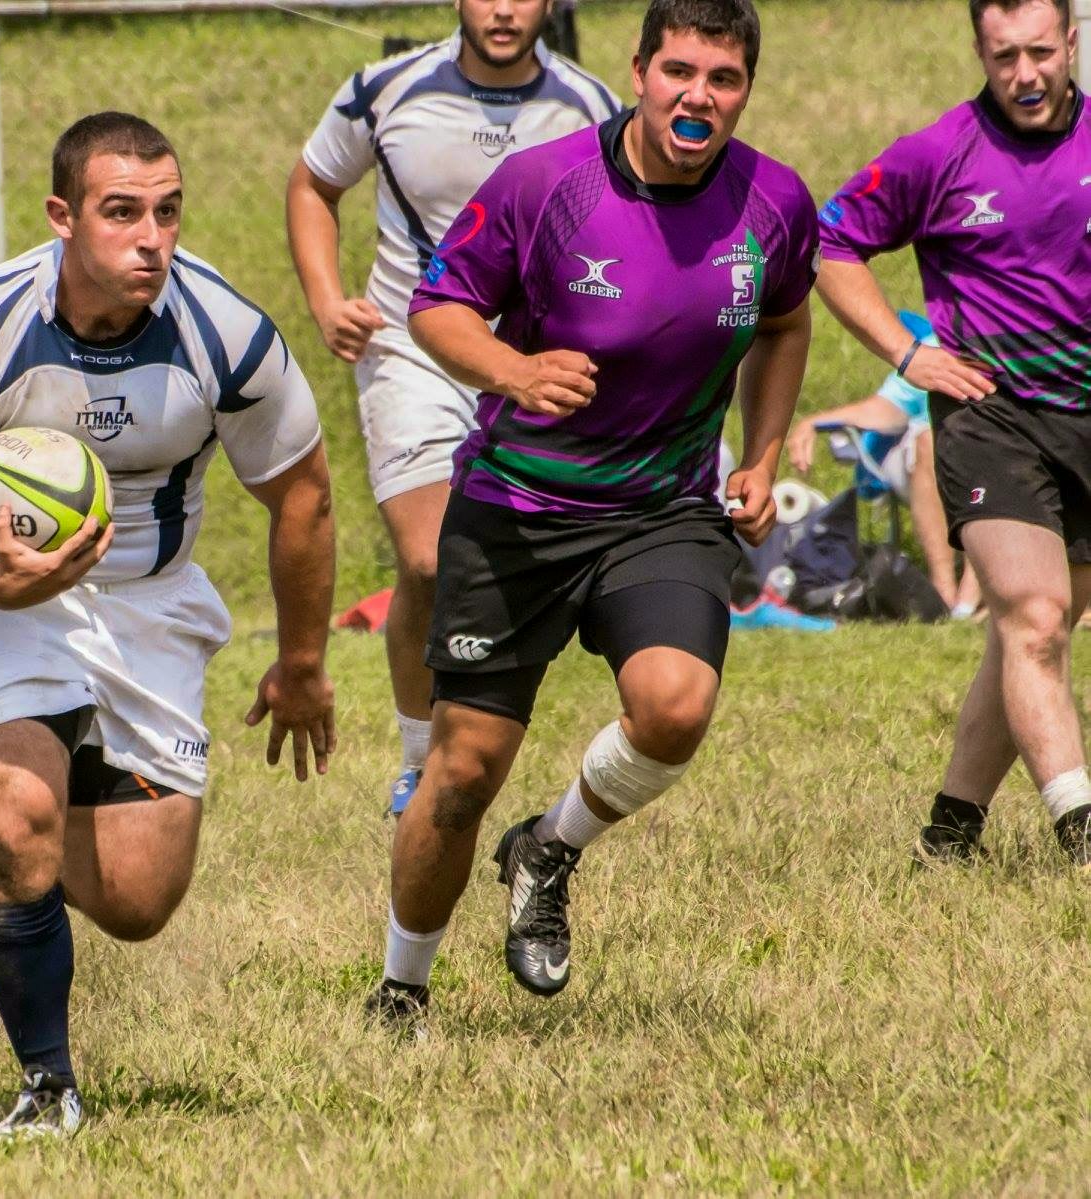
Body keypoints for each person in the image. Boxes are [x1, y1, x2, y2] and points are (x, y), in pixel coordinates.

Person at [0, 112, 336, 1136]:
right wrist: (12, 585)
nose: (151, 238)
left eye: (168, 212)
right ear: (62, 216)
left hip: (148, 598)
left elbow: (302, 494)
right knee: (19, 825)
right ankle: (48, 1086)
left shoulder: (229, 337)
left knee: (137, 900)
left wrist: (303, 660)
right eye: (122, 212)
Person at [366, 0, 816, 1027]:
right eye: (679, 71)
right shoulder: (546, 184)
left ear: (746, 89)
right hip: (517, 508)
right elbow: (436, 306)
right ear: (639, 72)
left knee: (676, 707)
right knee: (462, 772)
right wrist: (514, 371)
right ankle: (402, 985)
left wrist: (760, 453)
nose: (698, 96)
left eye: (724, 78)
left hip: (661, 510)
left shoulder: (773, 201)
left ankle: (548, 848)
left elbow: (785, 322)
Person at [287, 0, 618, 817]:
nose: (503, 8)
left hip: (533, 360)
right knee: (431, 560)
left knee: (527, 565)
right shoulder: (383, 90)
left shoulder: (592, 106)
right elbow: (313, 184)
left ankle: (485, 735)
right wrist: (327, 301)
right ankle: (418, 757)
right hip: (413, 350)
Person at [815, 0, 1091, 866]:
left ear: (1071, 41)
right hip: (988, 414)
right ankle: (1082, 836)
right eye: (1003, 56)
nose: (1025, 74)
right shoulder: (937, 154)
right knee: (1034, 617)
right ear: (978, 49)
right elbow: (831, 243)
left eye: (1039, 52)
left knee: (1026, 635)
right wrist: (907, 354)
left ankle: (949, 831)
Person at [786, 311, 981, 616]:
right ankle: (944, 591)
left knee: (990, 455)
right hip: (936, 466)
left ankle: (974, 591)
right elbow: (884, 410)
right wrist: (811, 422)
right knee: (927, 439)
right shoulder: (942, 346)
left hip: (994, 461)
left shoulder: (1025, 345)